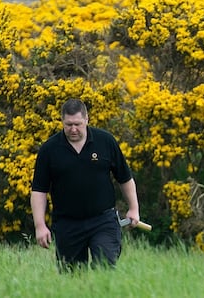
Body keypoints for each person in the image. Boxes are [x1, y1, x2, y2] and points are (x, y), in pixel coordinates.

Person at [31, 98, 141, 270]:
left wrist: (134, 208)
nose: (73, 129)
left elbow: (124, 177)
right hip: (67, 224)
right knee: (72, 277)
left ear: (86, 120)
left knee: (104, 268)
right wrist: (40, 225)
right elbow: (39, 190)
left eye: (77, 124)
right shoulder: (49, 150)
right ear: (62, 121)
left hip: (103, 220)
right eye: (68, 125)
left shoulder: (105, 141)